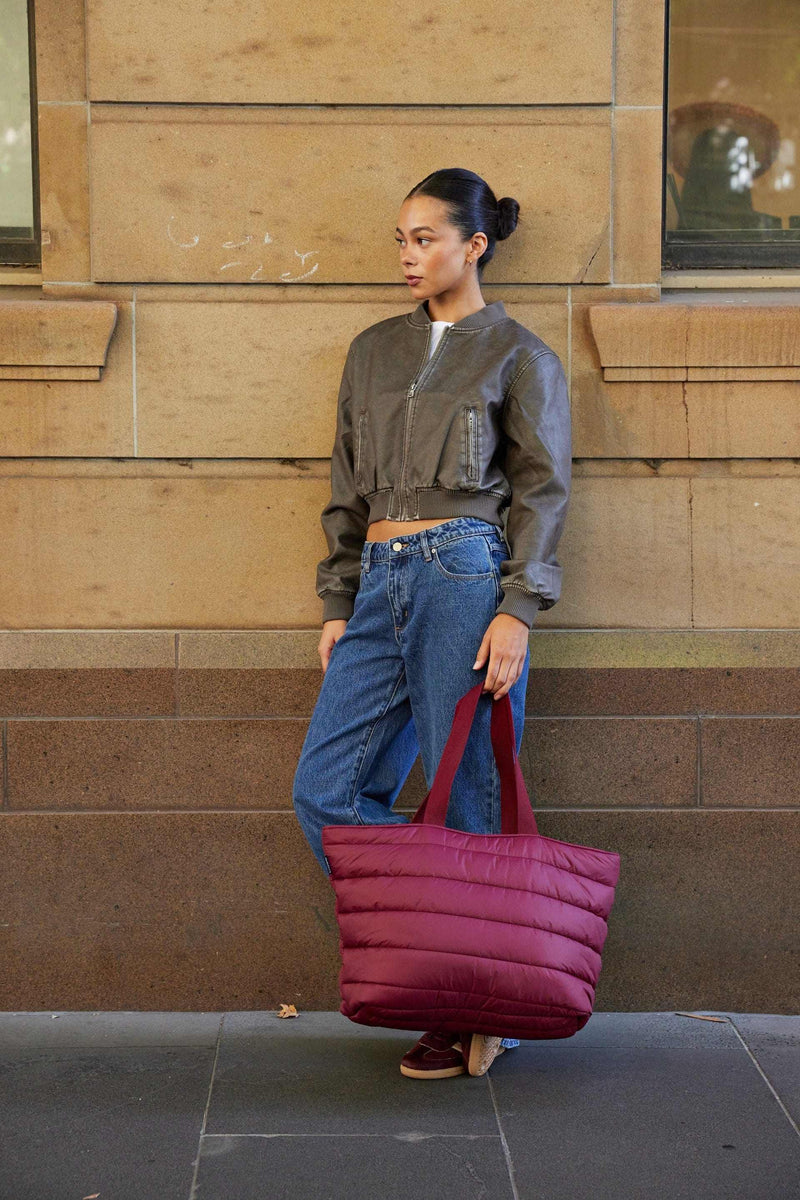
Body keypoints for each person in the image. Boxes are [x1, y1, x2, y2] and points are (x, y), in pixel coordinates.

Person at [292, 167, 572, 1081]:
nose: (408, 256)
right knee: (325, 789)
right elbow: (345, 482)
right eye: (401, 241)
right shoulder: (372, 350)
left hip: (464, 575)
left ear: (474, 245)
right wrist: (340, 598)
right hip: (378, 580)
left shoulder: (519, 356)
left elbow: (540, 491)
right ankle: (438, 965)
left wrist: (517, 610)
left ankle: (471, 1009)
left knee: (473, 798)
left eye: (425, 239)